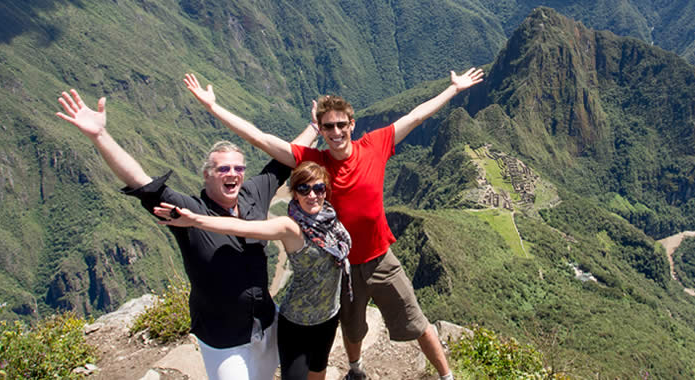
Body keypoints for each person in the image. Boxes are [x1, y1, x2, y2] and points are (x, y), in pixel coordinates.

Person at [184, 68, 484, 380]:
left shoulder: (375, 144)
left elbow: (417, 115)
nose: (337, 131)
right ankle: (355, 370)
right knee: (352, 329)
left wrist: (454, 89)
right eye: (329, 127)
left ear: (352, 124)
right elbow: (260, 138)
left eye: (342, 124)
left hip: (381, 258)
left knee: (416, 321)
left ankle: (447, 376)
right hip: (339, 267)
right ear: (322, 130)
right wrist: (212, 107)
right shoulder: (315, 161)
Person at [54, 88, 317, 380]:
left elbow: (285, 158)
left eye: (238, 168)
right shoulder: (189, 212)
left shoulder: (253, 193)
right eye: (223, 169)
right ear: (207, 174)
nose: (233, 173)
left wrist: (315, 127)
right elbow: (141, 181)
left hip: (266, 324)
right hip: (223, 338)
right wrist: (100, 136)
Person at [153, 161, 350, 380]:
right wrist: (196, 220)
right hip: (298, 322)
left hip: (329, 315)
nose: (312, 195)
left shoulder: (329, 217)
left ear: (326, 190)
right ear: (294, 194)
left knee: (318, 371)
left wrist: (315, 130)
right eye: (304, 189)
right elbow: (243, 227)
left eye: (318, 188)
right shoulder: (290, 227)